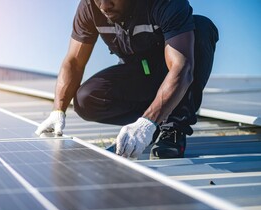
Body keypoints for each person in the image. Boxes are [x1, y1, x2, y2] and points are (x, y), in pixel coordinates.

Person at [35, 0, 218, 159]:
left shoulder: (165, 3)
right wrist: (57, 111)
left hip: (171, 73)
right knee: (86, 99)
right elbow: (74, 61)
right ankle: (153, 122)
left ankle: (172, 128)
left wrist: (147, 123)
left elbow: (182, 67)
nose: (105, 5)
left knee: (201, 28)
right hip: (138, 74)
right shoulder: (90, 7)